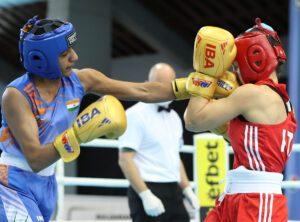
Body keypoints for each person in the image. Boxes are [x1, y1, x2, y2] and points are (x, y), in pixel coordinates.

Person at [0, 16, 186, 222]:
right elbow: (35, 159)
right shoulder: (16, 95)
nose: (75, 57)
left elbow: (142, 90)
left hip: (48, 182)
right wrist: (78, 135)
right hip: (14, 181)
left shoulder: (81, 80)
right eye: (64, 54)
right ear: (40, 60)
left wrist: (189, 87)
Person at [183, 18, 297, 222]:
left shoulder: (253, 94)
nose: (234, 72)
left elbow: (193, 121)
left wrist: (205, 73)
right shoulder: (283, 102)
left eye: (236, 65)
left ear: (255, 57)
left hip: (258, 203)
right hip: (235, 196)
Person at [118, 63, 200, 222]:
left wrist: (187, 189)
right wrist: (145, 194)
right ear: (149, 84)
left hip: (174, 190)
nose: (166, 89)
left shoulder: (175, 117)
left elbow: (174, 157)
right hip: (148, 188)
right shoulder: (135, 115)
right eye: (161, 84)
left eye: (170, 84)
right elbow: (125, 159)